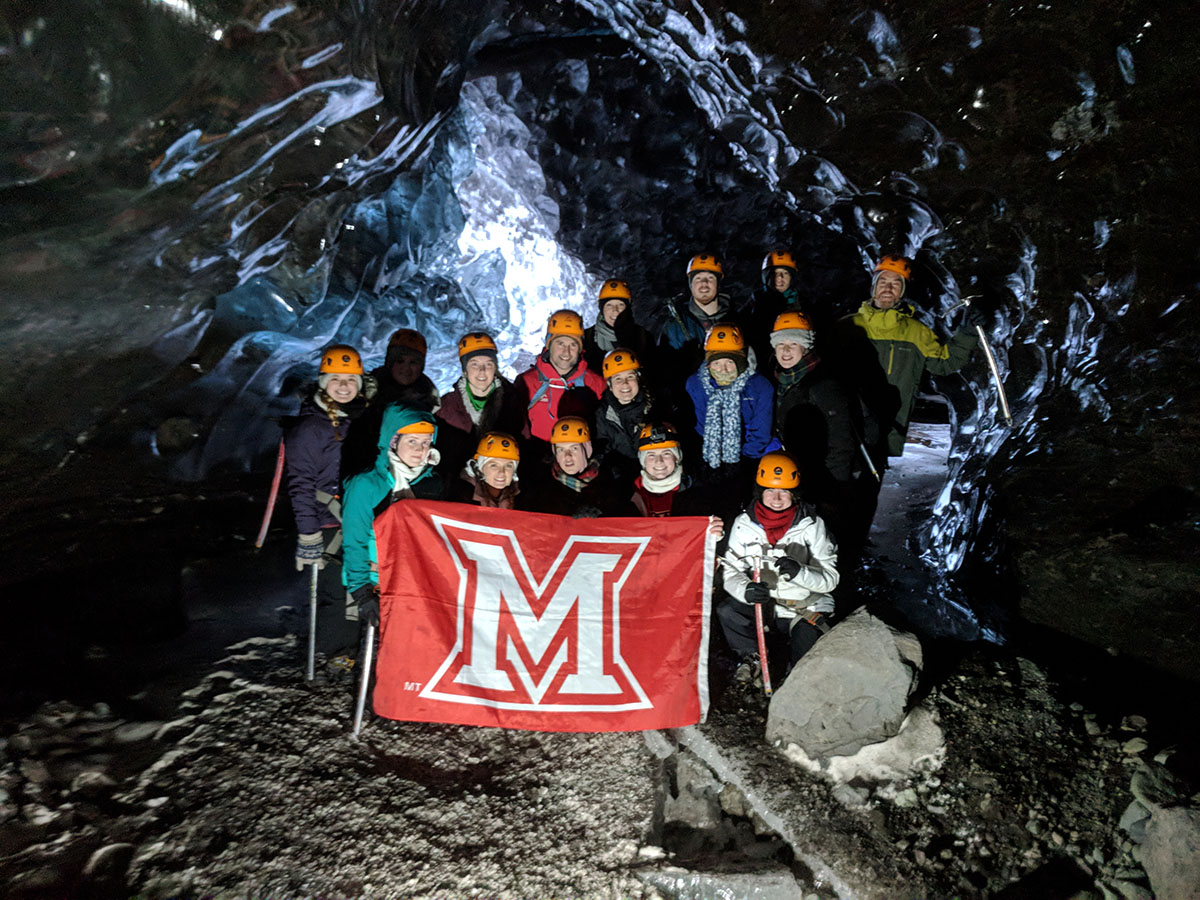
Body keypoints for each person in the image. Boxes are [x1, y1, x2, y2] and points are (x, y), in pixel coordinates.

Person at [840, 255, 980, 458]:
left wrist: (967, 334)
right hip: (847, 433)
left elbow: (945, 363)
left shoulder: (917, 333)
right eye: (883, 282)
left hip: (889, 434)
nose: (888, 289)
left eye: (896, 284)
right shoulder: (847, 327)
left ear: (902, 292)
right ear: (874, 286)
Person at [717, 452, 839, 683]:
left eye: (784, 491)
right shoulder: (744, 523)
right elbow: (731, 568)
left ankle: (793, 681)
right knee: (728, 611)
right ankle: (752, 657)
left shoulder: (813, 525)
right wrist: (746, 590)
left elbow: (830, 579)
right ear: (759, 491)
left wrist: (800, 573)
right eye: (770, 490)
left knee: (806, 651)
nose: (776, 498)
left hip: (801, 606)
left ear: (794, 494)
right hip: (764, 604)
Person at [284, 344, 371, 655]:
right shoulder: (310, 427)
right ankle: (334, 651)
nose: (344, 386)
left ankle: (346, 647)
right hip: (327, 520)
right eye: (336, 379)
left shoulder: (354, 419)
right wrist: (309, 534)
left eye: (351, 380)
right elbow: (300, 485)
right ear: (323, 383)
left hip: (353, 516)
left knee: (353, 584)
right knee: (337, 589)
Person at [342, 406, 443, 626]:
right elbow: (354, 539)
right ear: (393, 441)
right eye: (412, 442)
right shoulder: (366, 484)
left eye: (426, 442)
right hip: (373, 582)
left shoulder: (432, 484)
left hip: (414, 584)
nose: (419, 450)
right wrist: (361, 591)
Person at [768, 312, 864, 533]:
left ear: (806, 348)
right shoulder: (778, 380)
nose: (786, 350)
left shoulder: (824, 385)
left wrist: (835, 489)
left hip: (822, 479)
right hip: (792, 474)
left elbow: (841, 442)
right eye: (780, 344)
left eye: (794, 344)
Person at [684, 323, 778, 511]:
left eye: (729, 363)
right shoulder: (695, 384)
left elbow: (760, 431)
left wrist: (741, 465)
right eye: (717, 363)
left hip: (749, 457)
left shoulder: (759, 385)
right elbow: (697, 425)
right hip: (708, 456)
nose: (723, 370)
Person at [436, 332, 525, 477]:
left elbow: (524, 445)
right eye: (474, 364)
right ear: (465, 370)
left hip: (502, 483)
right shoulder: (447, 407)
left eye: (488, 364)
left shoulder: (511, 402)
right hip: (458, 487)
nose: (482, 371)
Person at [658, 254, 754, 382]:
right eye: (698, 278)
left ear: (718, 283)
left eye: (710, 278)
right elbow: (663, 371)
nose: (704, 283)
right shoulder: (674, 327)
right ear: (690, 284)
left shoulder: (738, 322)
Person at [516, 310, 605, 443]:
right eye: (560, 344)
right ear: (549, 344)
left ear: (580, 349)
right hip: (537, 458)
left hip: (579, 459)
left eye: (573, 345)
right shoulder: (526, 383)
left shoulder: (595, 383)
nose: (566, 352)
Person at [526, 416, 627, 518]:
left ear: (587, 449)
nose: (567, 456)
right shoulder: (541, 485)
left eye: (574, 448)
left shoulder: (613, 480)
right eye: (561, 450)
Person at [629, 422, 715, 526]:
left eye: (666, 453)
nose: (659, 461)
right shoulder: (628, 493)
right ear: (643, 461)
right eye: (651, 455)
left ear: (677, 458)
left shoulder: (698, 487)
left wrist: (715, 533)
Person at [594, 348, 656, 482]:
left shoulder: (655, 406)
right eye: (618, 379)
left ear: (638, 378)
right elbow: (602, 448)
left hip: (654, 472)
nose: (625, 384)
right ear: (610, 385)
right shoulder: (603, 413)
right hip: (621, 477)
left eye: (630, 376)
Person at [583, 279, 653, 376]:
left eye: (620, 305)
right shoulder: (586, 338)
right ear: (602, 309)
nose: (615, 311)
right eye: (609, 305)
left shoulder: (643, 337)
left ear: (627, 308)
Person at [371, 327, 439, 412]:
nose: (406, 368)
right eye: (400, 361)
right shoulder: (365, 389)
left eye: (413, 362)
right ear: (390, 364)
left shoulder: (429, 398)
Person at [456, 432, 521, 509]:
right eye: (494, 465)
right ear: (480, 467)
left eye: (508, 466)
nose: (502, 472)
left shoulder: (520, 496)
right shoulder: (462, 493)